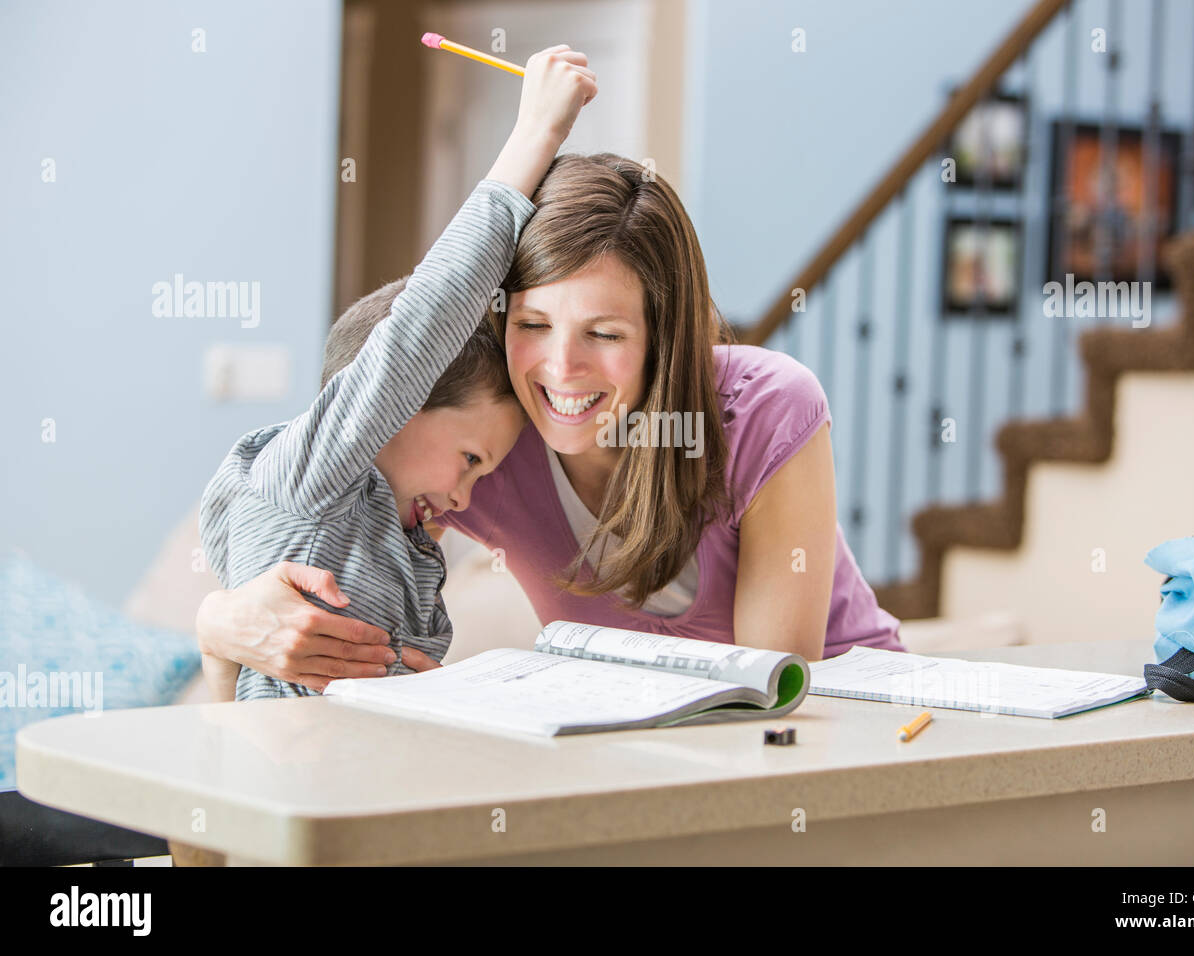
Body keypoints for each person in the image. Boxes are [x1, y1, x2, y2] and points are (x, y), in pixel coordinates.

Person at [194, 116, 907, 700]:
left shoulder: (763, 409)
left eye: (605, 334)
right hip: (637, 750)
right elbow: (321, 531)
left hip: (837, 725)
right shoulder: (487, 443)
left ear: (664, 337)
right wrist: (221, 621)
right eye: (533, 325)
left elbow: (771, 697)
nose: (562, 370)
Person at [195, 44, 598, 701]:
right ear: (398, 400)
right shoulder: (309, 482)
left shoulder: (394, 538)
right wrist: (537, 131)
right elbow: (429, 317)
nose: (464, 498)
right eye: (470, 459)